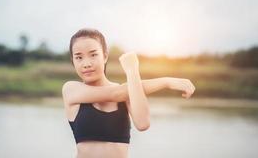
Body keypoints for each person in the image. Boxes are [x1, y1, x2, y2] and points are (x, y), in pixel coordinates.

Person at [62, 28, 195, 158]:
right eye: (79, 57)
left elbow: (143, 123)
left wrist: (132, 70)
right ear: (73, 60)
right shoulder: (71, 89)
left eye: (93, 54)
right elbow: (116, 93)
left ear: (105, 56)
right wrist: (166, 81)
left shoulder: (127, 92)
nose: (86, 64)